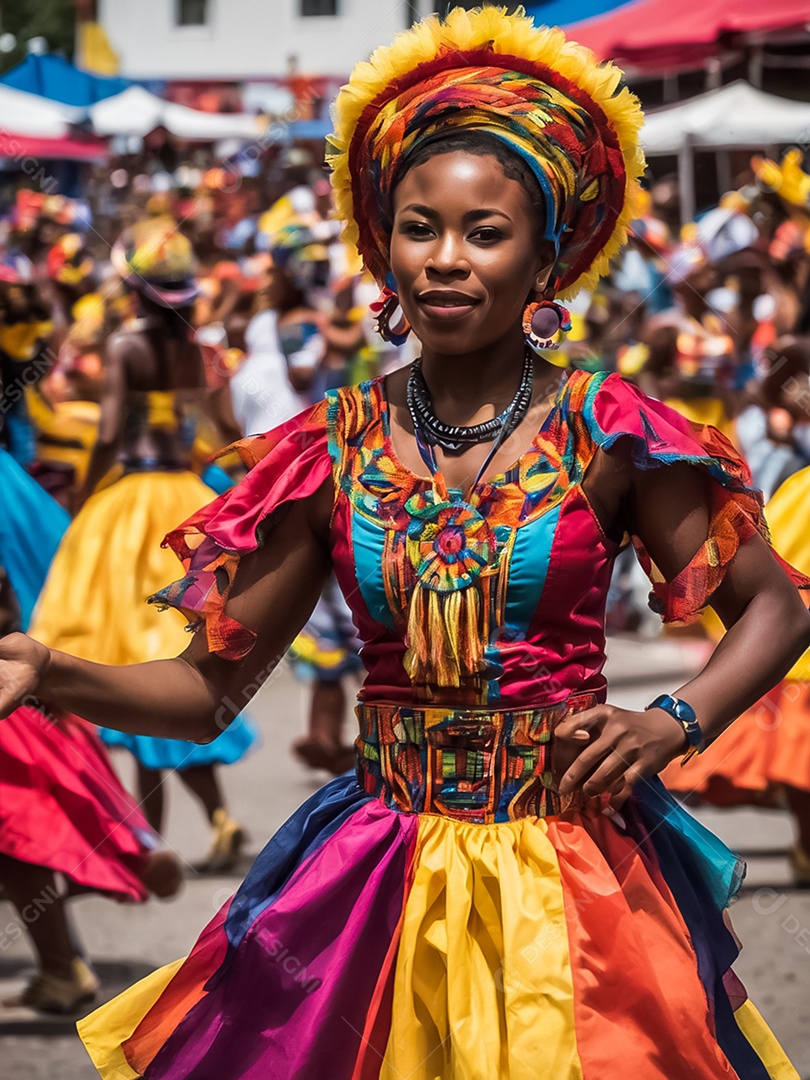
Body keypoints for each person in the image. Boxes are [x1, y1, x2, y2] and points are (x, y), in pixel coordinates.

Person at [1, 9, 809, 1076]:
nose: (445, 260)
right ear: (381, 242)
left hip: (574, 875)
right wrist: (50, 671)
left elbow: (776, 603)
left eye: (486, 234)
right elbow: (205, 695)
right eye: (419, 227)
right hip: (375, 874)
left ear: (547, 255)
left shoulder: (611, 432)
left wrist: (676, 719)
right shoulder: (328, 448)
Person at [27, 218, 254, 872]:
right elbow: (224, 430)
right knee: (177, 650)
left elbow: (104, 435)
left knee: (129, 661)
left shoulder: (125, 346)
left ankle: (145, 840)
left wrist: (80, 498)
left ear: (134, 290)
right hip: (187, 500)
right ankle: (204, 818)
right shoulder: (200, 352)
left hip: (131, 505)